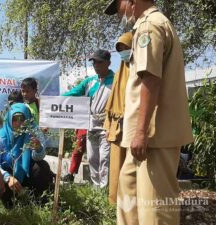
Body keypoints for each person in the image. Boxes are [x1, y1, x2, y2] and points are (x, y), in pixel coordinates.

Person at [105, 1, 193, 224]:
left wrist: (141, 132)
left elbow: (151, 81)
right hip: (144, 137)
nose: (118, 14)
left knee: (155, 211)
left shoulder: (149, 26)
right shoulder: (152, 24)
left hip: (153, 137)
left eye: (119, 6)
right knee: (129, 203)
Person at [63, 49, 114, 188]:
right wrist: (54, 100)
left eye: (99, 62)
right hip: (91, 123)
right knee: (92, 158)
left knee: (105, 158)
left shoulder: (116, 81)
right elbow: (74, 92)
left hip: (108, 125)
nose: (96, 65)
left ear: (108, 63)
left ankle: (105, 190)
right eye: (94, 62)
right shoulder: (90, 81)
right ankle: (96, 188)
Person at [0, 103, 53, 209]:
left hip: (27, 171)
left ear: (28, 118)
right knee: (6, 199)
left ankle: (37, 199)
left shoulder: (33, 131)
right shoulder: (1, 136)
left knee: (42, 166)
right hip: (8, 174)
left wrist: (38, 148)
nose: (18, 123)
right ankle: (11, 204)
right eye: (15, 119)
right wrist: (7, 177)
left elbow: (39, 157)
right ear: (9, 118)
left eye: (22, 119)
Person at [103, 31, 133, 204]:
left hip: (133, 126)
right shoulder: (119, 73)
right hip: (116, 127)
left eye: (126, 47)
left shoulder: (139, 71)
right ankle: (113, 203)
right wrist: (108, 127)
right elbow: (111, 103)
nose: (123, 52)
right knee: (116, 168)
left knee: (131, 171)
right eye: (120, 49)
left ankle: (130, 204)